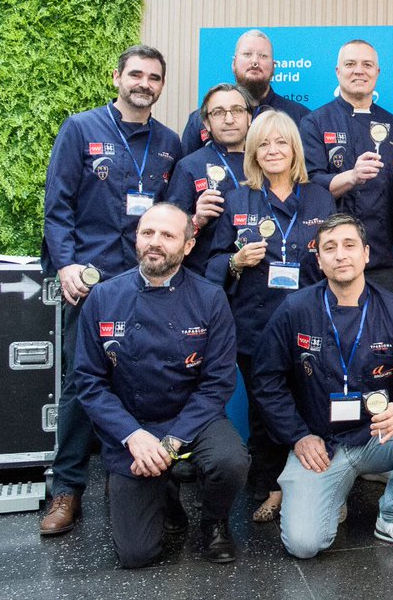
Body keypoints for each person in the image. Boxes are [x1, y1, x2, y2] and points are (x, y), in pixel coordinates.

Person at [40, 44, 182, 537]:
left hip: (148, 281)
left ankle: (125, 475)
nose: (144, 83)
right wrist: (65, 266)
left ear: (162, 85)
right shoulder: (80, 129)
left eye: (154, 77)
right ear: (118, 77)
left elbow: (173, 215)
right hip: (91, 283)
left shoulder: (169, 142)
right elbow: (57, 206)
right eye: (136, 74)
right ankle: (66, 489)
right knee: (83, 386)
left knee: (142, 377)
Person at [249, 213, 393, 559]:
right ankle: (332, 493)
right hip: (319, 446)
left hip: (375, 437)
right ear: (320, 260)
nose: (341, 255)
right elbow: (266, 380)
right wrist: (297, 435)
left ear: (366, 254)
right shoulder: (295, 309)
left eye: (350, 245)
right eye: (330, 248)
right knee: (305, 545)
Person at [72, 203, 248, 567]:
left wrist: (171, 443)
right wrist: (132, 436)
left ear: (187, 245)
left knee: (231, 461)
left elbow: (216, 383)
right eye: (148, 233)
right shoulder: (104, 298)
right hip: (132, 423)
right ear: (136, 239)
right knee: (137, 555)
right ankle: (164, 495)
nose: (155, 242)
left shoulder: (210, 298)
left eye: (168, 235)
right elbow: (89, 381)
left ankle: (214, 522)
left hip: (193, 418)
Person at [205, 110, 336, 523]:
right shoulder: (237, 198)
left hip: (310, 321)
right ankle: (272, 487)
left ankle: (322, 482)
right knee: (264, 412)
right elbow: (212, 263)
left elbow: (334, 256)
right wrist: (236, 261)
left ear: (294, 148)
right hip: (255, 324)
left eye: (281, 142)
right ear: (253, 151)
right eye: (264, 143)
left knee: (311, 404)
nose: (273, 150)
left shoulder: (319, 197)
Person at [301, 39, 393, 295]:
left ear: (377, 72)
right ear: (338, 71)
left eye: (367, 64)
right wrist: (352, 176)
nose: (359, 71)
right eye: (350, 64)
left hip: (381, 257)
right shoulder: (314, 122)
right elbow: (308, 187)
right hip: (332, 256)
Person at [167, 83, 255, 275]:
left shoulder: (266, 161)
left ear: (249, 117)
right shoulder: (189, 166)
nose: (229, 119)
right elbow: (169, 230)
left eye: (237, 110)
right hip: (205, 277)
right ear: (206, 123)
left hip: (256, 278)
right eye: (218, 112)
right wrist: (196, 219)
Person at [180, 29, 310, 156]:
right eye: (247, 54)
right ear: (233, 63)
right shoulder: (200, 120)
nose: (254, 62)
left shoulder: (300, 117)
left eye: (263, 56)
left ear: (274, 67)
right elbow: (187, 169)